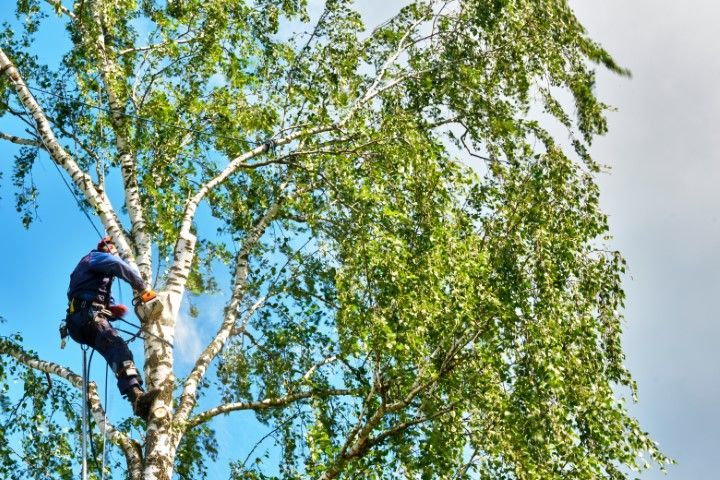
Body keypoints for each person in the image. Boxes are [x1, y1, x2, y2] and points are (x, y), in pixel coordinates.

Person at [65, 236, 160, 421]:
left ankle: (136, 400)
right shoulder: (94, 257)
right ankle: (136, 397)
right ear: (104, 247)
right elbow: (116, 264)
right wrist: (142, 289)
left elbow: (104, 302)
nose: (115, 254)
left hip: (81, 321)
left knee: (113, 350)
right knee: (117, 345)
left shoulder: (99, 277)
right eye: (112, 249)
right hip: (86, 316)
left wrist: (114, 311)